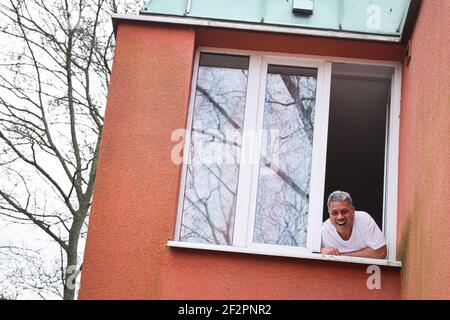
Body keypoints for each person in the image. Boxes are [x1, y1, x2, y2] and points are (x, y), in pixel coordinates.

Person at [321, 190, 387, 259]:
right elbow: (310, 250)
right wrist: (321, 251)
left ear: (353, 211)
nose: (340, 217)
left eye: (344, 212)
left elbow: (381, 252)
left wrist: (341, 257)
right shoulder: (323, 229)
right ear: (329, 213)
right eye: (334, 213)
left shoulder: (364, 220)